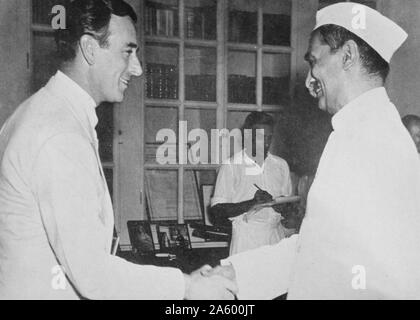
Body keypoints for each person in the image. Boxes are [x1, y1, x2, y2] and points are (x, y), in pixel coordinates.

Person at [0, 0, 236, 300]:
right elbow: (93, 276)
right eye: (128, 51)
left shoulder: (40, 113)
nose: (136, 68)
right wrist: (187, 287)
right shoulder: (59, 135)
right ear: (89, 48)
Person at [212, 2, 420, 299]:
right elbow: (319, 246)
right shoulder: (355, 132)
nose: (309, 79)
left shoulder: (374, 141)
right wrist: (234, 275)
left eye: (314, 61)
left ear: (347, 55)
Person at [210, 112, 293, 255]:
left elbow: (290, 209)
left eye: (269, 138)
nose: (266, 143)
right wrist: (252, 203)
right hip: (246, 241)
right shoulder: (231, 166)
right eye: (261, 138)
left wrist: (282, 206)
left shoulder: (280, 165)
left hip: (276, 238)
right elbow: (217, 212)